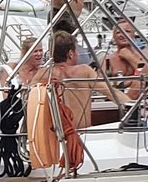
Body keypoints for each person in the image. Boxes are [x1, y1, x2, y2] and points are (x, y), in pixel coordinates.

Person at [23, 28, 97, 174]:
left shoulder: (43, 74)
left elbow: (28, 101)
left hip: (55, 140)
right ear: (70, 53)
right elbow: (112, 93)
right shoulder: (84, 71)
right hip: (84, 140)